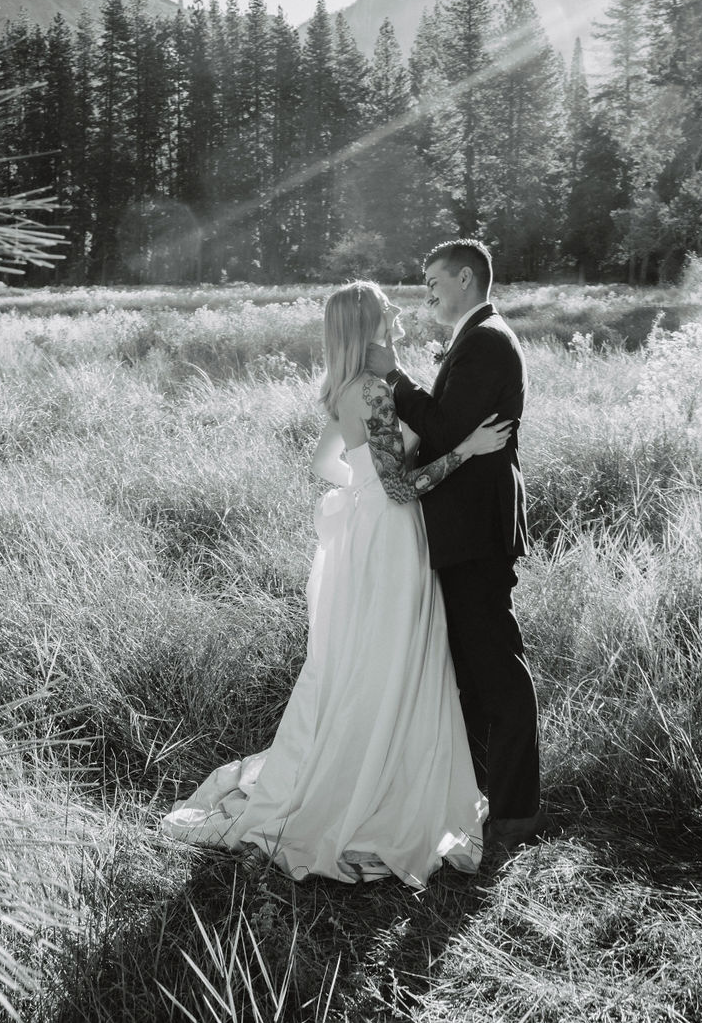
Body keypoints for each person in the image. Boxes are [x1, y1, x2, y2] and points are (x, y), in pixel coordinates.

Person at [160, 280, 511, 887]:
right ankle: (375, 794)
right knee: (394, 661)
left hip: (373, 535)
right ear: (365, 324)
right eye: (386, 309)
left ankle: (375, 775)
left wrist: (358, 492)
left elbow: (328, 464)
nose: (398, 312)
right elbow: (402, 486)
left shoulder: (348, 387)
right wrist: (470, 450)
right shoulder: (373, 390)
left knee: (372, 661)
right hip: (392, 539)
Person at [367, 239, 541, 851]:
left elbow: (443, 432)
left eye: (433, 281)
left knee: (496, 667)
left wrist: (393, 375)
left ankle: (516, 813)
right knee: (473, 669)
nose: (427, 293)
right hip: (466, 529)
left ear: (465, 278)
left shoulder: (488, 341)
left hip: (475, 532)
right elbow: (453, 431)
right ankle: (476, 799)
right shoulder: (478, 338)